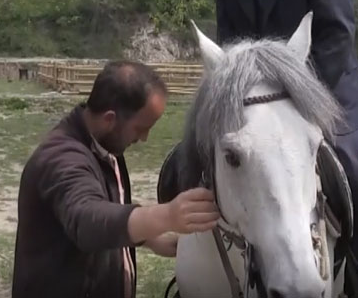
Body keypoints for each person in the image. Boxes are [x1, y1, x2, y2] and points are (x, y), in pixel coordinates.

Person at [185, 0, 358, 297]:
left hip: (322, 86)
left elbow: (336, 36)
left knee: (353, 170)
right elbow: (232, 44)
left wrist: (295, 94)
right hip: (257, 95)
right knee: (191, 155)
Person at [12, 60, 220, 298]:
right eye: (141, 127)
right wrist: (167, 216)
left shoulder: (105, 146)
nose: (144, 138)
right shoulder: (60, 158)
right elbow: (88, 221)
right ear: (110, 119)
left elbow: (108, 212)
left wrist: (148, 239)